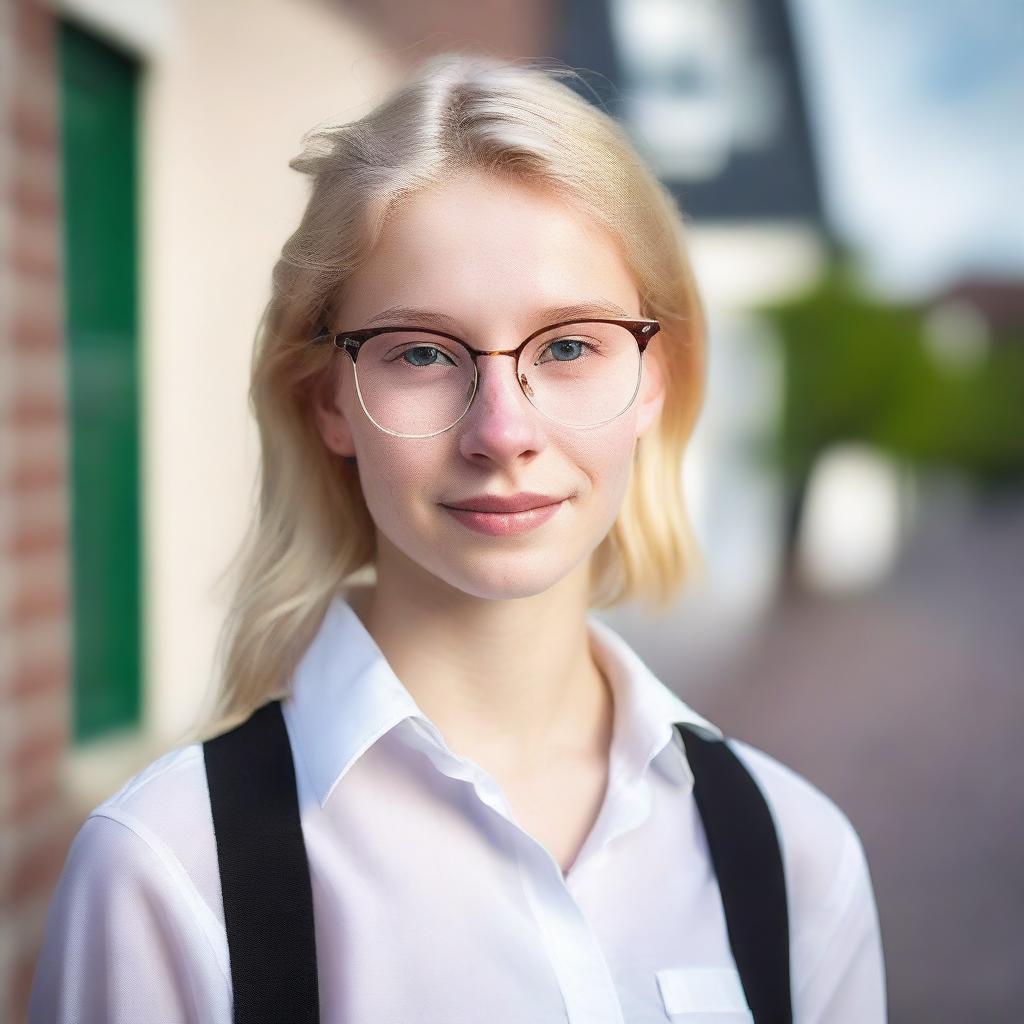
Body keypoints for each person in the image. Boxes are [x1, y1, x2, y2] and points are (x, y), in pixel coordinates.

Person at [29, 52, 886, 1023]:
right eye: (423, 353)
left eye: (567, 345)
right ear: (328, 402)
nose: (501, 432)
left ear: (655, 379)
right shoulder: (168, 875)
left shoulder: (794, 856)